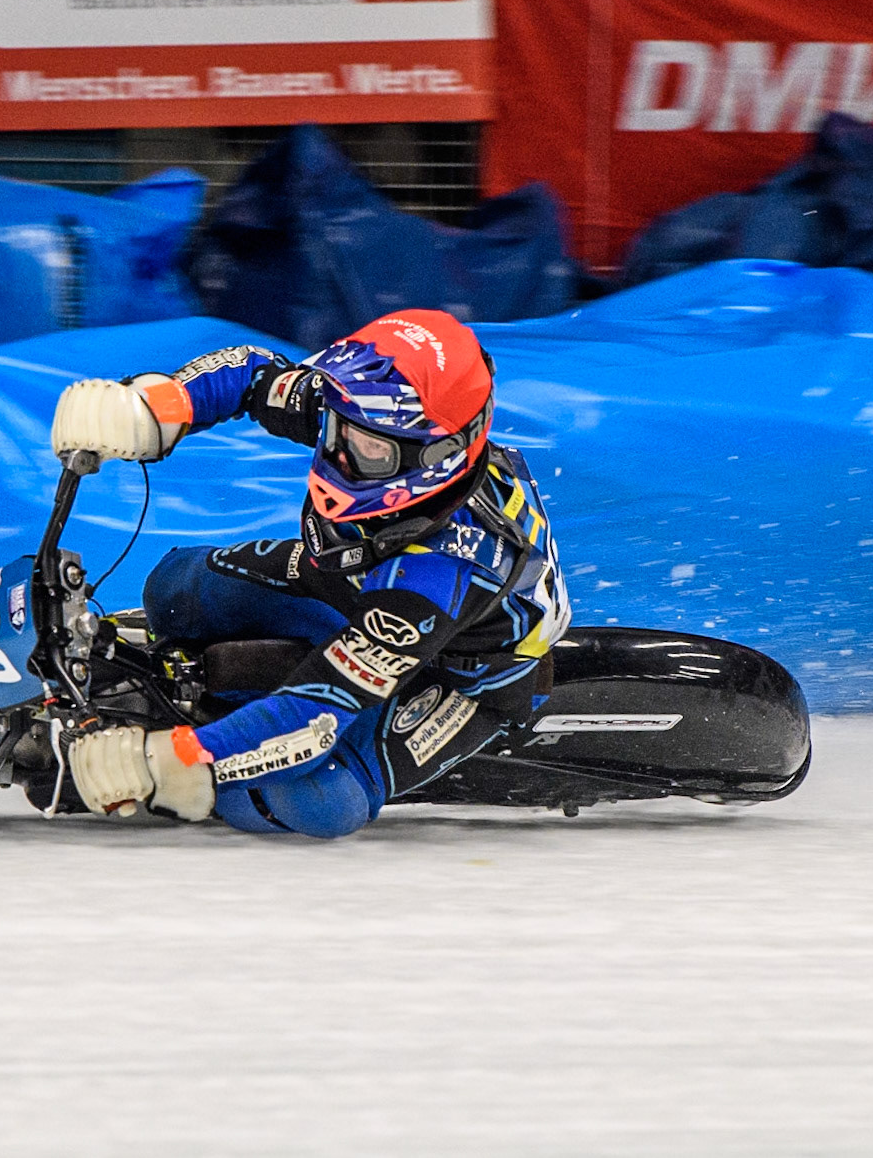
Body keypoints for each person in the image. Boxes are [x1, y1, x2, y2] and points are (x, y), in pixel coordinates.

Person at [48, 309, 571, 838]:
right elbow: (253, 374)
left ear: (435, 457)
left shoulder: (440, 573)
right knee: (175, 587)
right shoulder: (373, 418)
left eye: (366, 446)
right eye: (338, 425)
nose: (338, 447)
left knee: (317, 798)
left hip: (462, 674)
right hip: (358, 580)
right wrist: (151, 405)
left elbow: (313, 717)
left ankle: (243, 751)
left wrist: (169, 763)